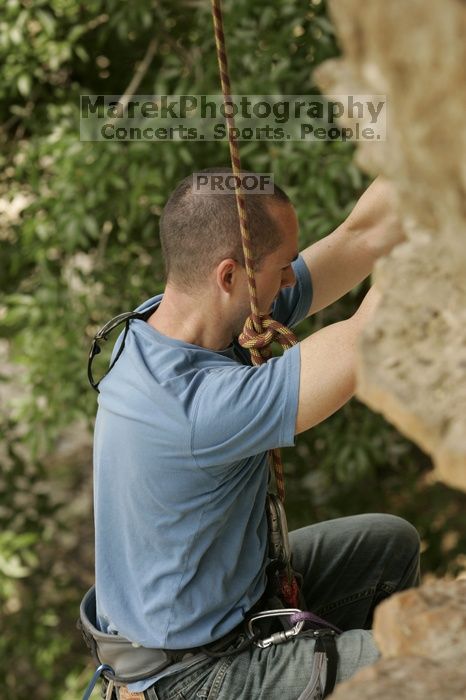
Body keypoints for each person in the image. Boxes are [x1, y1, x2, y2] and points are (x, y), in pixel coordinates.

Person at [91, 168, 420, 700]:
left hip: (223, 609)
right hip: (194, 676)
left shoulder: (168, 327)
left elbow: (360, 236)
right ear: (229, 276)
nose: (291, 279)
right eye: (282, 267)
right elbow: (368, 337)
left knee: (389, 548)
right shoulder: (193, 409)